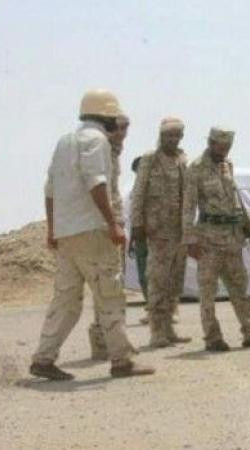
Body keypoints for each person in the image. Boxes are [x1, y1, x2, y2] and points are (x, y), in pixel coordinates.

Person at [30, 89, 154, 380]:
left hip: (67, 233)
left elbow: (50, 189)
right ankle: (122, 360)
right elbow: (96, 183)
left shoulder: (65, 141)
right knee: (110, 296)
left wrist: (52, 229)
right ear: (106, 116)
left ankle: (43, 358)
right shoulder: (97, 141)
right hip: (92, 231)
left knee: (66, 301)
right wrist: (113, 224)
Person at [182, 126, 250, 351]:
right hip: (208, 240)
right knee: (208, 291)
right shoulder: (196, 168)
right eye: (221, 146)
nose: (225, 150)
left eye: (228, 146)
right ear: (211, 143)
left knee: (239, 287)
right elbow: (188, 206)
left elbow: (235, 200)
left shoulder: (228, 165)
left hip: (232, 238)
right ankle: (213, 337)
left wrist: (249, 227)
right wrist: (189, 239)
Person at [130, 117, 192, 347]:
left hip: (179, 230)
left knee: (175, 281)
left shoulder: (182, 159)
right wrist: (137, 224)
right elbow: (138, 192)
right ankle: (157, 332)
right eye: (168, 136)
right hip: (157, 230)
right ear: (161, 136)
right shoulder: (150, 159)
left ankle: (169, 329)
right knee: (158, 280)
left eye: (176, 136)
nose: (172, 140)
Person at [88, 113, 130, 361]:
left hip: (114, 222)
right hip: (104, 224)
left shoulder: (114, 152)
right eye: (118, 128)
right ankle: (103, 341)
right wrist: (112, 222)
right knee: (106, 284)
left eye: (125, 129)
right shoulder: (100, 150)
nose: (122, 133)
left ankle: (114, 341)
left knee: (115, 284)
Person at [128, 156, 150, 300]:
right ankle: (150, 304)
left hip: (154, 235)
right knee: (143, 274)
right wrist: (132, 240)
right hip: (140, 236)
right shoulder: (135, 189)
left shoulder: (157, 187)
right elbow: (134, 216)